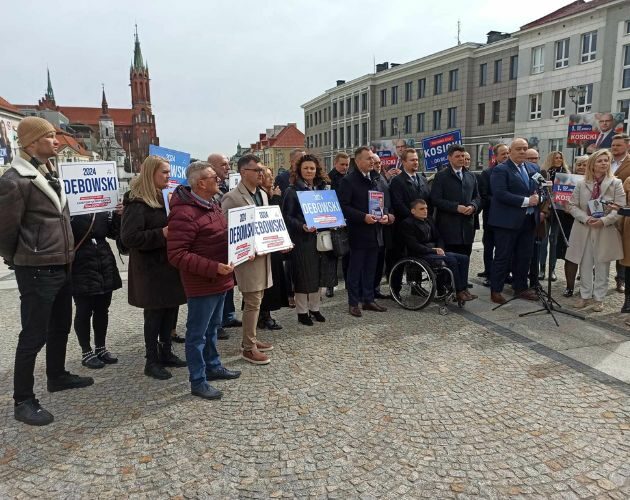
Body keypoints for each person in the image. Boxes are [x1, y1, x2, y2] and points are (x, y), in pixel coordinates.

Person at [0, 116, 93, 426]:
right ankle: (23, 400)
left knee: (60, 326)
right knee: (33, 335)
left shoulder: (47, 173)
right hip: (37, 267)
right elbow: (5, 230)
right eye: (50, 136)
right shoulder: (15, 180)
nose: (56, 140)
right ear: (31, 142)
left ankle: (57, 374)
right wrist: (18, 258)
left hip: (61, 263)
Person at [167, 161, 241, 400]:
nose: (218, 179)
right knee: (197, 334)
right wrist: (212, 267)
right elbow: (177, 255)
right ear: (200, 183)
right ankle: (197, 380)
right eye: (213, 177)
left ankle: (214, 366)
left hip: (221, 279)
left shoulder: (213, 204)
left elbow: (219, 236)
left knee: (212, 329)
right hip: (202, 283)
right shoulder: (184, 212)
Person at [121, 155, 187, 380]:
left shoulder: (167, 198)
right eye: (165, 172)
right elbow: (129, 237)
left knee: (171, 310)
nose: (170, 176)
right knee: (154, 315)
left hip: (170, 265)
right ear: (151, 174)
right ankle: (151, 360)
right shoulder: (136, 201)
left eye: (169, 172)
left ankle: (166, 351)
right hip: (150, 270)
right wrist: (162, 233)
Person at [221, 154, 274, 364]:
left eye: (261, 169)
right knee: (252, 300)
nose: (261, 173)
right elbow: (225, 231)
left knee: (258, 299)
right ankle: (248, 347)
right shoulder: (232, 197)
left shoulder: (262, 193)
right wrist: (242, 249)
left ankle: (251, 338)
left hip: (263, 254)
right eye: (257, 170)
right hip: (247, 257)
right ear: (243, 172)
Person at [566, 149, 625, 311]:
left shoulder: (616, 183)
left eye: (607, 160)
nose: (604, 163)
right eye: (600, 161)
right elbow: (571, 205)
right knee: (585, 264)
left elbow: (620, 208)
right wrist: (586, 218)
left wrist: (604, 221)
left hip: (604, 229)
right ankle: (585, 296)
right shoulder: (581, 183)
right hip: (584, 228)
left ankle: (599, 299)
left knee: (602, 265)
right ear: (592, 164)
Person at [339, 146, 394, 317]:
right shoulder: (349, 181)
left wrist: (385, 215)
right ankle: (353, 303)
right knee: (356, 269)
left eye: (373, 158)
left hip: (376, 231)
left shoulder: (376, 178)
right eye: (368, 159)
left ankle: (369, 299)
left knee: (371, 267)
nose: (372, 161)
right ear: (358, 161)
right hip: (359, 232)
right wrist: (363, 217)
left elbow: (383, 202)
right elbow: (344, 207)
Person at [282, 154, 337, 325]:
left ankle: (315, 308)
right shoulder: (292, 191)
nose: (309, 171)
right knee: (303, 275)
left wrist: (335, 220)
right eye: (305, 168)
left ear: (317, 170)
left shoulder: (323, 189)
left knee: (319, 274)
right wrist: (302, 226)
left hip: (321, 237)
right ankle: (302, 312)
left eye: (312, 168)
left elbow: (331, 210)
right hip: (302, 239)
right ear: (299, 170)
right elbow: (287, 217)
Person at [488, 138, 540, 304]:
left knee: (524, 256)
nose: (523, 152)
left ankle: (521, 287)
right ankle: (496, 290)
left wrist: (541, 196)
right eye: (519, 149)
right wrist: (527, 201)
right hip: (506, 222)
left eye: (525, 148)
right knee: (503, 256)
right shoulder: (501, 170)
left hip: (528, 220)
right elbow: (500, 193)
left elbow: (540, 189)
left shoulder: (533, 168)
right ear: (510, 151)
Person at [70, 211, 122, 369]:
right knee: (84, 310)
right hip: (80, 262)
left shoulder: (102, 208)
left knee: (102, 309)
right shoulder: (70, 207)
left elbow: (113, 233)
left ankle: (101, 347)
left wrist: (118, 216)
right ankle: (86, 351)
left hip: (104, 260)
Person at [400, 199, 476, 302]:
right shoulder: (407, 224)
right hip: (420, 254)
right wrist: (433, 250)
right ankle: (458, 291)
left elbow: (439, 237)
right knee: (452, 260)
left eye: (426, 208)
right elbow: (414, 245)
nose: (425, 211)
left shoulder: (429, 220)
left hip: (434, 251)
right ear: (413, 211)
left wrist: (440, 248)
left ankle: (463, 288)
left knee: (464, 258)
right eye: (421, 209)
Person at [208, 152, 241, 339]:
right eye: (224, 165)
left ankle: (228, 316)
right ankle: (217, 323)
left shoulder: (227, 184)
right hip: (217, 241)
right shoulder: (210, 189)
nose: (228, 168)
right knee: (218, 285)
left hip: (230, 240)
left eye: (228, 165)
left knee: (229, 282)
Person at [388, 148, 430, 287]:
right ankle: (396, 288)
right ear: (404, 162)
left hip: (419, 227)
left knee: (417, 256)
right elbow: (398, 203)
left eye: (417, 159)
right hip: (403, 227)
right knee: (399, 257)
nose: (416, 162)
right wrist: (414, 218)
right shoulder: (397, 181)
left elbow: (427, 201)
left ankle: (416, 286)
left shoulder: (422, 179)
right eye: (412, 160)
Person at [430, 144, 481, 258]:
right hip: (448, 229)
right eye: (457, 156)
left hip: (467, 229)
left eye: (462, 156)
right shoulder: (441, 176)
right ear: (449, 157)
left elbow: (477, 197)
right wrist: (456, 207)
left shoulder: (471, 176)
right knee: (450, 263)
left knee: (465, 260)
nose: (461, 159)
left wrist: (473, 206)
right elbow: (435, 199)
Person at [258, 166, 288, 329]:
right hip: (265, 245)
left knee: (273, 280)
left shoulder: (270, 193)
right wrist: (276, 199)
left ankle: (266, 313)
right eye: (268, 176)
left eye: (272, 176)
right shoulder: (261, 195)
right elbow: (268, 216)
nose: (272, 179)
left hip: (274, 243)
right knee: (265, 282)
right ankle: (263, 315)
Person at [478, 144, 509, 286]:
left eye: (508, 153)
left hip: (509, 218)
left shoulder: (514, 172)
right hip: (492, 217)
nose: (506, 156)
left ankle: (504, 273)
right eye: (503, 154)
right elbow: (484, 196)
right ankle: (490, 274)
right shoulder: (487, 173)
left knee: (504, 247)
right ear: (495, 157)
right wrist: (504, 199)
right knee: (489, 246)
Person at [538, 151, 570, 282]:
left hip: (559, 211)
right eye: (556, 158)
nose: (558, 160)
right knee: (543, 241)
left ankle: (552, 269)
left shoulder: (566, 174)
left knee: (554, 241)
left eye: (560, 158)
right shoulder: (543, 173)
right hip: (546, 210)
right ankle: (542, 269)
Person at [559, 156, 588, 297]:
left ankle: (586, 286)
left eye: (585, 164)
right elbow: (559, 199)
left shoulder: (595, 182)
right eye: (579, 164)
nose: (581, 167)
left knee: (588, 256)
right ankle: (569, 287)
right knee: (570, 255)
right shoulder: (566, 180)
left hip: (588, 222)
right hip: (568, 221)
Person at [326, 152, 350, 297]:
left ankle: (348, 282)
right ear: (335, 163)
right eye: (342, 164)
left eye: (347, 164)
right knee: (331, 254)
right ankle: (330, 285)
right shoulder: (328, 179)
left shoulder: (349, 177)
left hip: (347, 219)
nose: (345, 167)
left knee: (347, 253)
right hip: (333, 219)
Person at [370, 152, 393, 300]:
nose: (378, 166)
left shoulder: (382, 179)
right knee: (371, 263)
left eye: (379, 163)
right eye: (375, 163)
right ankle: (368, 291)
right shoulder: (370, 179)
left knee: (379, 261)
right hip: (371, 226)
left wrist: (388, 215)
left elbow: (387, 201)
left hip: (383, 226)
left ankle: (375, 289)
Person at [611, 134, 630, 294]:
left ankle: (620, 278)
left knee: (622, 247)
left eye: (618, 145)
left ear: (627, 146)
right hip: (601, 208)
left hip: (622, 211)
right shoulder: (605, 160)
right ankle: (596, 275)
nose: (614, 148)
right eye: (613, 145)